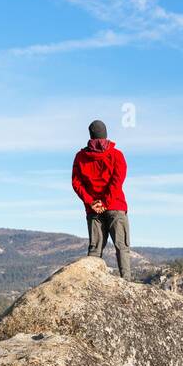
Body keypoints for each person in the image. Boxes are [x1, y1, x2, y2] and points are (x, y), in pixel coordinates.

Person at [71, 119, 131, 280]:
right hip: (115, 206)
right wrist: (106, 202)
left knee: (95, 249)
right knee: (122, 247)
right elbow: (117, 181)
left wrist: (91, 201)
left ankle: (91, 283)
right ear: (106, 134)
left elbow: (76, 183)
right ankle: (127, 282)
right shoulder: (116, 155)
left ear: (90, 135)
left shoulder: (80, 157)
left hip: (93, 210)